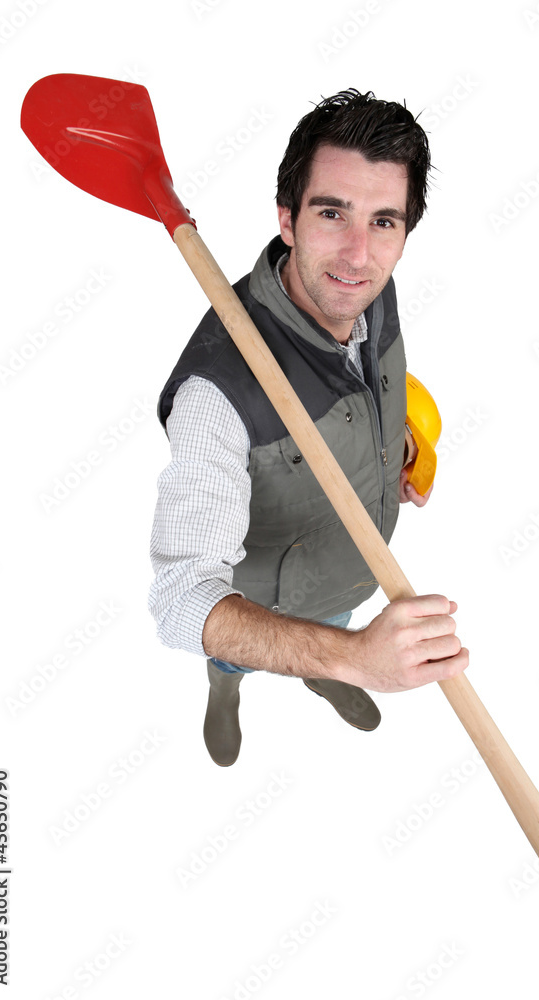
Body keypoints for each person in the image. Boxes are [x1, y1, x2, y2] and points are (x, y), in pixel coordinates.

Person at [149, 89, 469, 766]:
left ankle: (329, 667)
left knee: (337, 626)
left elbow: (361, 389)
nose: (357, 254)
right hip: (265, 604)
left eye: (384, 222)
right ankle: (228, 687)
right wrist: (360, 657)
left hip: (350, 576)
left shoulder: (366, 290)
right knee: (250, 656)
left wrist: (392, 452)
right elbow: (182, 603)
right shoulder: (217, 392)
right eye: (332, 213)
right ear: (286, 219)